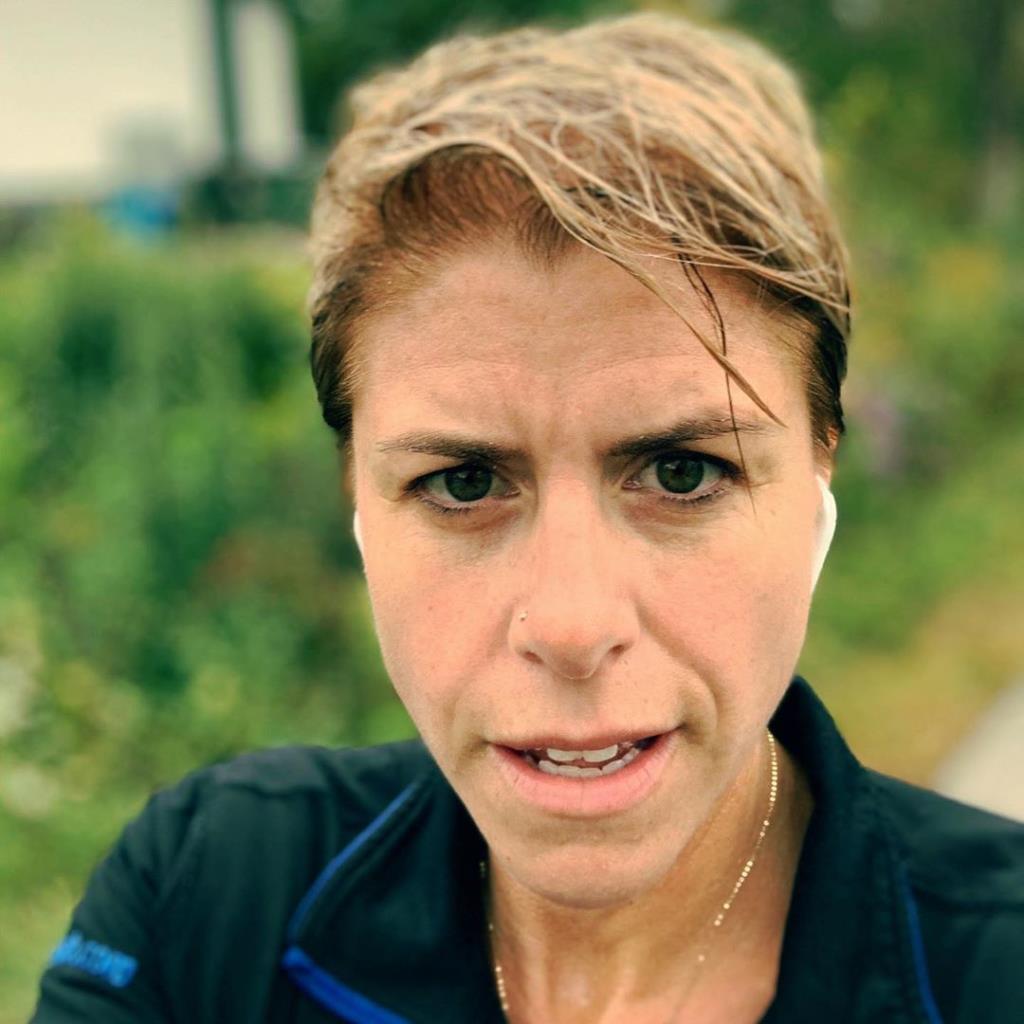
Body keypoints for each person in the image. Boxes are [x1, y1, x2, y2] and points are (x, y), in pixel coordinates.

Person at [31, 10, 1023, 1024]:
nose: (571, 625)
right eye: (464, 484)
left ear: (818, 478)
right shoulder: (210, 895)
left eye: (682, 472)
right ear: (357, 501)